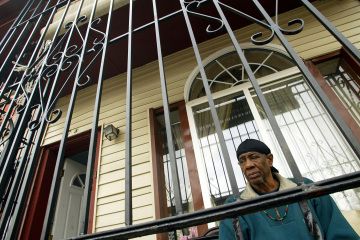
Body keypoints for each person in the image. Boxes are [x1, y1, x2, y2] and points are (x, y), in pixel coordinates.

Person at [219, 139, 359, 240]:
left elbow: (339, 232)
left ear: (269, 160)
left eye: (253, 157)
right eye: (242, 161)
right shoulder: (235, 206)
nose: (248, 165)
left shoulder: (304, 187)